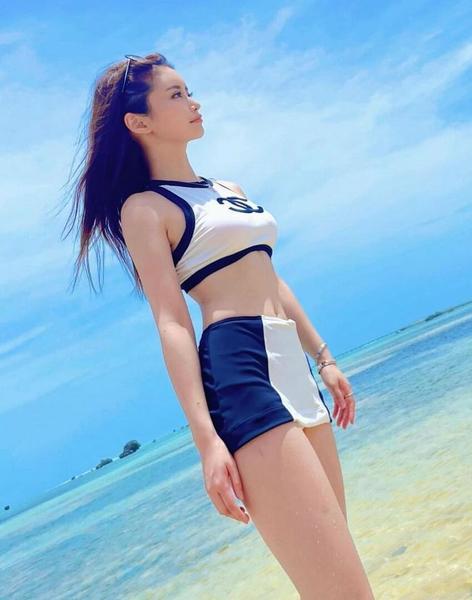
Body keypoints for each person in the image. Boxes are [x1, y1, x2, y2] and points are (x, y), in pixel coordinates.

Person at [62, 52, 374, 599]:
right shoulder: (146, 208)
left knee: (337, 574)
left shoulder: (228, 188)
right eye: (176, 95)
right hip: (239, 372)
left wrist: (324, 358)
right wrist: (206, 441)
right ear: (139, 122)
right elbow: (172, 322)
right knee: (343, 592)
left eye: (189, 91)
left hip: (291, 363)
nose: (194, 102)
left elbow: (271, 278)